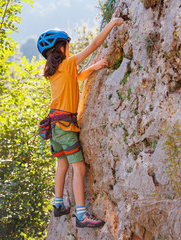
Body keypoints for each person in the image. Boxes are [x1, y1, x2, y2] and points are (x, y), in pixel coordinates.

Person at [37, 17, 124, 228]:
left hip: (54, 126)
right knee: (80, 169)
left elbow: (77, 78)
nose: (70, 47)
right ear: (61, 47)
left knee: (62, 163)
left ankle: (59, 205)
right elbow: (94, 45)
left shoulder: (55, 71)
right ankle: (82, 215)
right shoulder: (67, 64)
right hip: (66, 126)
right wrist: (111, 24)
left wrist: (94, 67)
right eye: (67, 44)